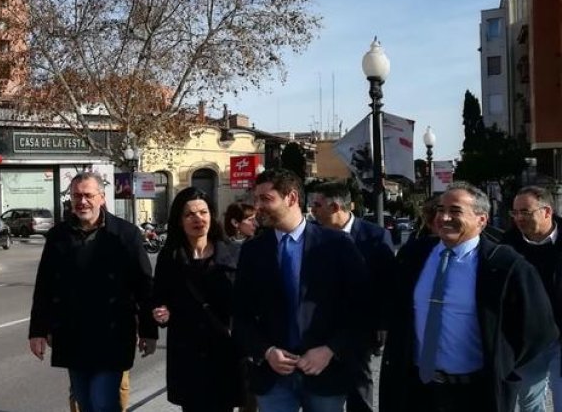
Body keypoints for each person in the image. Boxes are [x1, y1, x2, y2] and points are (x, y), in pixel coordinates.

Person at [378, 183, 557, 412]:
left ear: (481, 220)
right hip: (416, 389)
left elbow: (539, 329)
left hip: (475, 392)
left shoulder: (505, 265)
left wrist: (501, 361)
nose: (444, 217)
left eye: (455, 211)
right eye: (441, 210)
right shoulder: (414, 255)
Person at [233, 168, 368, 412]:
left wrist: (330, 350)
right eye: (256, 199)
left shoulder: (336, 244)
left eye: (266, 199)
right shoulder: (253, 250)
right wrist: (267, 351)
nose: (258, 206)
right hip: (273, 377)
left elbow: (361, 309)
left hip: (326, 374)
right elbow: (241, 315)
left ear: (292, 198)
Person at [29, 172, 157, 412]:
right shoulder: (58, 236)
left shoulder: (125, 234)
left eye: (88, 195)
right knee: (85, 402)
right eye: (76, 196)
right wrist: (38, 331)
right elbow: (45, 285)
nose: (82, 201)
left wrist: (148, 331)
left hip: (112, 335)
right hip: (73, 335)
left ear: (102, 197)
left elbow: (144, 285)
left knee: (103, 402)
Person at [152, 187, 243, 412]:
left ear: (212, 216)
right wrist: (161, 312)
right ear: (179, 220)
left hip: (224, 349)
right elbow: (159, 297)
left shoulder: (233, 253)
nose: (198, 219)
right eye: (190, 214)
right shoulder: (170, 256)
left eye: (203, 212)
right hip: (187, 352)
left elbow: (247, 302)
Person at [307, 182, 396, 412]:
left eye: (317, 205)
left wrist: (383, 322)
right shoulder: (311, 234)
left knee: (359, 379)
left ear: (335, 207)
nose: (312, 211)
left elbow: (387, 283)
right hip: (320, 325)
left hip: (360, 323)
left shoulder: (374, 236)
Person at [500, 186, 562, 412]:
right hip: (529, 339)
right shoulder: (506, 247)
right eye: (515, 212)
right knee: (529, 402)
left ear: (547, 212)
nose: (518, 218)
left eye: (525, 212)